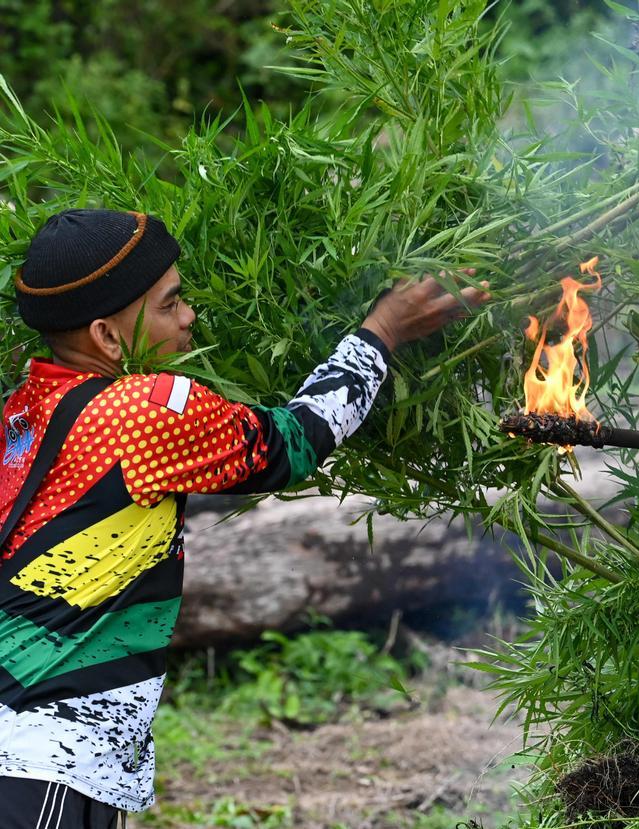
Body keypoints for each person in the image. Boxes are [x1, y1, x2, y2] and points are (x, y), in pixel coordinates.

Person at [0, 208, 488, 828]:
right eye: (171, 303)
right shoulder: (141, 412)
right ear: (108, 336)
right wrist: (383, 331)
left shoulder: (29, 402)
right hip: (43, 758)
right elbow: (295, 441)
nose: (190, 318)